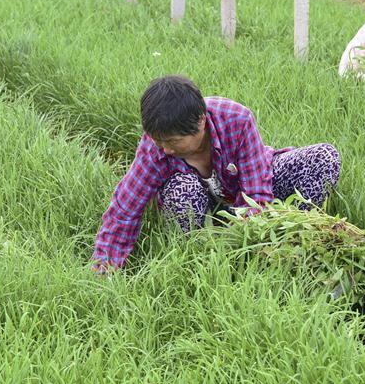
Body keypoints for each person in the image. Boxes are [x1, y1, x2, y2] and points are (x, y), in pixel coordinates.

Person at [91, 75, 341, 273]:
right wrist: (104, 267)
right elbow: (126, 206)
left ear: (200, 122)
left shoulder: (236, 119)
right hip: (198, 205)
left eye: (174, 141)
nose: (165, 149)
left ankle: (292, 242)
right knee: (182, 192)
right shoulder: (156, 145)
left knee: (324, 158)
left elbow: (257, 193)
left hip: (242, 192)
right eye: (159, 141)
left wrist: (251, 242)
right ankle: (200, 255)